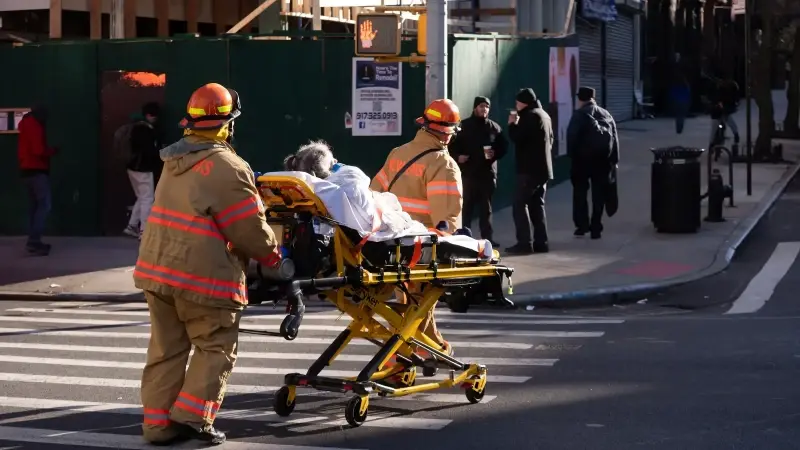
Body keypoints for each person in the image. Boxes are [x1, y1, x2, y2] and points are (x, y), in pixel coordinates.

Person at [135, 83, 281, 446]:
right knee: (215, 347)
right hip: (203, 278)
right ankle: (192, 418)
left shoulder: (173, 160)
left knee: (166, 351)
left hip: (157, 272)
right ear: (228, 123)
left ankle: (157, 426)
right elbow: (248, 229)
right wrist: (274, 258)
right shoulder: (228, 167)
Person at [370, 98, 464, 357]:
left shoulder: (397, 154)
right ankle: (415, 352)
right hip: (421, 248)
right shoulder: (443, 165)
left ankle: (423, 350)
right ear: (447, 134)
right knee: (420, 301)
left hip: (392, 244)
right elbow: (446, 219)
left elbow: (374, 194)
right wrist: (450, 248)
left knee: (410, 303)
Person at [449, 96, 508, 247]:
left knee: (485, 209)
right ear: (475, 108)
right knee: (466, 208)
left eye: (487, 107)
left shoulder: (494, 128)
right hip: (468, 174)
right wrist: (458, 157)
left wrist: (495, 153)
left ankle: (487, 239)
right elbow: (451, 146)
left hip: (487, 174)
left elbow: (504, 146)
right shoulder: (464, 126)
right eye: (481, 106)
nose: (484, 109)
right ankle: (463, 238)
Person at [566, 86, 619, 240]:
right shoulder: (606, 114)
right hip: (602, 160)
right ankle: (596, 227)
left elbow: (571, 137)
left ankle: (582, 226)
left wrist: (572, 156)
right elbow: (614, 138)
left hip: (581, 161)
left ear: (580, 99)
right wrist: (614, 160)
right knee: (599, 194)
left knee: (580, 193)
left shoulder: (579, 115)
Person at [506, 88, 554, 255]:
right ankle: (541, 243)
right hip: (543, 169)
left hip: (529, 169)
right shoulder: (544, 115)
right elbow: (551, 140)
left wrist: (512, 124)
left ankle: (524, 243)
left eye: (517, 102)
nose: (516, 105)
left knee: (519, 205)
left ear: (523, 102)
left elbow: (517, 138)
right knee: (537, 206)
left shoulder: (530, 116)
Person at [17, 105, 57, 256]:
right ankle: (34, 241)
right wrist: (52, 151)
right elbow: (38, 150)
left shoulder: (25, 124)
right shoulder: (35, 125)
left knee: (34, 207)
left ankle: (32, 240)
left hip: (26, 171)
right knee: (44, 205)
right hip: (37, 171)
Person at [123, 102, 161, 239]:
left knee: (142, 197)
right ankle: (144, 231)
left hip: (132, 168)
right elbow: (149, 151)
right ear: (149, 115)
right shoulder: (147, 130)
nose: (155, 118)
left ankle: (132, 226)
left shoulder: (134, 127)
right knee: (147, 199)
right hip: (143, 168)